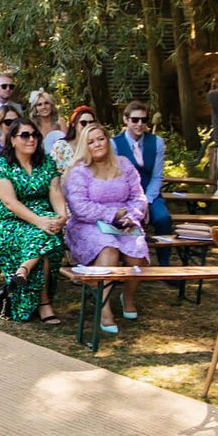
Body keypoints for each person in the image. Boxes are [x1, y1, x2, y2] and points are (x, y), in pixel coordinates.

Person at [64, 120, 151, 331]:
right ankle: (105, 309)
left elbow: (138, 196)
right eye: (91, 142)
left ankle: (127, 298)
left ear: (108, 141)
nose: (97, 144)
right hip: (89, 223)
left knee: (137, 251)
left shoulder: (124, 164)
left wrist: (131, 216)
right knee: (108, 248)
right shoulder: (79, 171)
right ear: (85, 146)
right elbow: (79, 207)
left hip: (124, 221)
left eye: (101, 139)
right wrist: (111, 214)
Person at [0, 119, 68, 325]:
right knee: (46, 237)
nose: (31, 139)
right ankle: (44, 303)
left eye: (35, 135)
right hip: (9, 222)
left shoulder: (46, 162)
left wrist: (62, 216)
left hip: (42, 218)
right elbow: (9, 202)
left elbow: (55, 192)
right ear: (13, 140)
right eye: (25, 135)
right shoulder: (1, 165)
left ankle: (23, 270)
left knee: (49, 234)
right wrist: (39, 221)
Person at [112, 103, 172, 235]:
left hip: (150, 193)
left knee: (163, 219)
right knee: (123, 223)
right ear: (125, 119)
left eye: (143, 120)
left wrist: (146, 201)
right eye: (135, 120)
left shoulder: (157, 142)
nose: (139, 124)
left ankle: (164, 256)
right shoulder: (114, 143)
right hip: (125, 197)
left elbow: (157, 176)